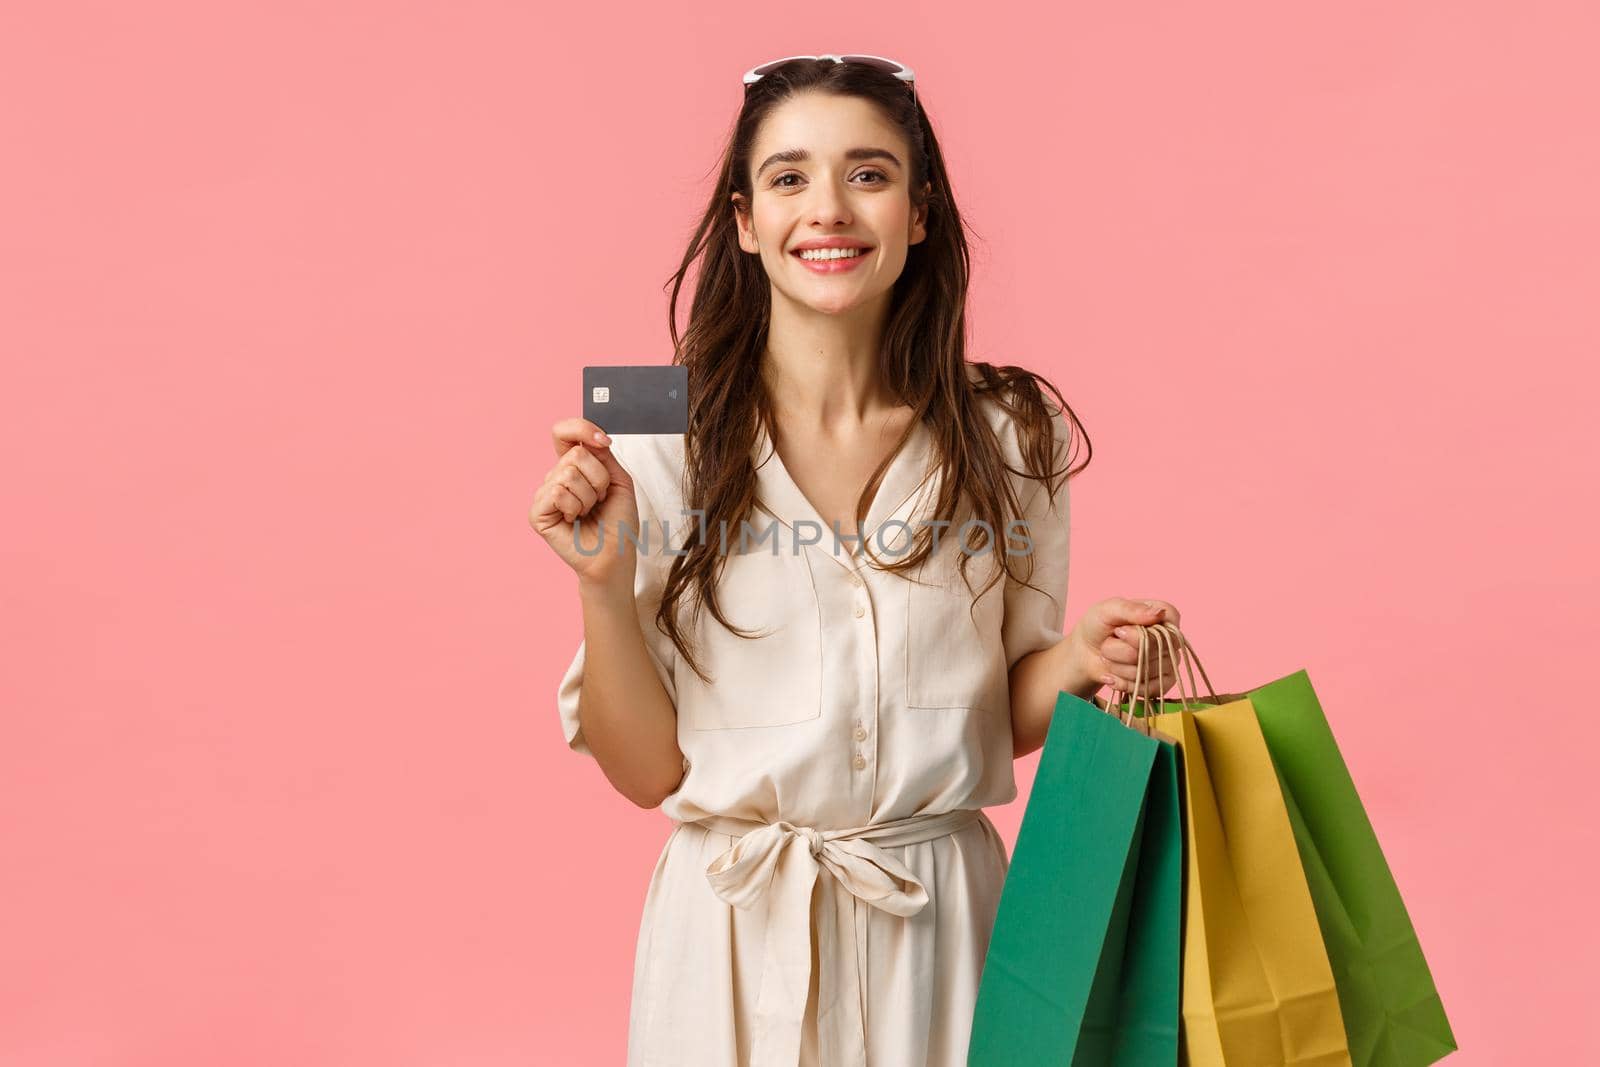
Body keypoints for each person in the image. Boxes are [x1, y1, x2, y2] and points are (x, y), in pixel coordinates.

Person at [530, 54, 1183, 1067]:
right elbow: (645, 767)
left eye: (867, 174)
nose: (826, 209)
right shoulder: (655, 435)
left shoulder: (1010, 426)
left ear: (919, 212)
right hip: (730, 943)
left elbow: (994, 711)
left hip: (947, 932)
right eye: (788, 177)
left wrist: (1082, 662)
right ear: (744, 220)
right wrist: (603, 585)